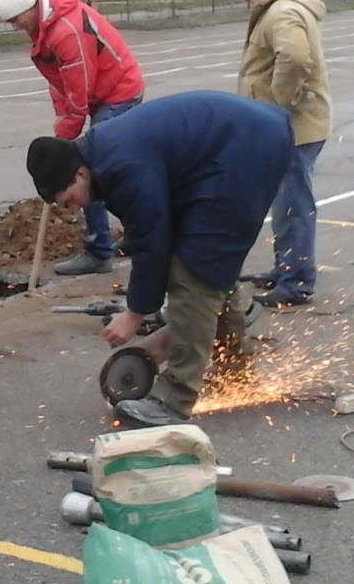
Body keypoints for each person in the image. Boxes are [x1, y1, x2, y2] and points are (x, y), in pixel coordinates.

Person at [24, 91, 294, 427]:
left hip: (245, 149)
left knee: (195, 271)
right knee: (208, 269)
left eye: (69, 200)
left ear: (80, 174)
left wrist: (134, 314)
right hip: (240, 142)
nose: (74, 208)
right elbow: (148, 225)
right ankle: (234, 372)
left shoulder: (119, 164)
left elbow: (153, 240)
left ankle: (174, 399)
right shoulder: (102, 158)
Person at [0, 0, 144, 275]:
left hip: (119, 91)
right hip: (101, 92)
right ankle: (134, 232)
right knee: (95, 163)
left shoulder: (65, 31)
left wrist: (66, 136)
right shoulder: (43, 25)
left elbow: (79, 88)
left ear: (30, 7)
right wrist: (61, 118)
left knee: (90, 168)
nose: (15, 26)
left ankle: (99, 251)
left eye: (16, 19)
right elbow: (58, 79)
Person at [227, 0, 334, 307]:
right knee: (285, 202)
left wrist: (278, 105)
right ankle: (286, 267)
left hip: (292, 127)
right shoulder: (285, 8)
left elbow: (296, 59)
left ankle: (296, 282)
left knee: (292, 204)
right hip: (289, 126)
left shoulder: (281, 12)